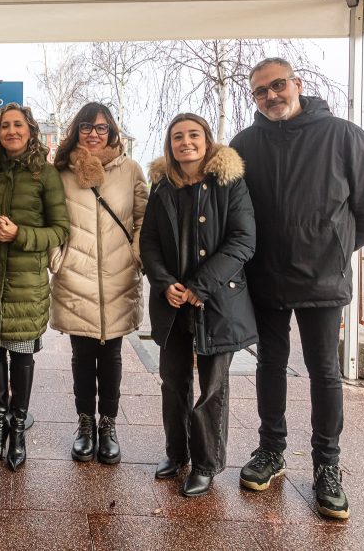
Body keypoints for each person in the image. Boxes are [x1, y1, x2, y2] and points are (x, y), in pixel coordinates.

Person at [230, 58, 364, 519]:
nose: (271, 96)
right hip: (265, 276)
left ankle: (327, 465)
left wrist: (337, 246)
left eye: (277, 85)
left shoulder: (343, 135)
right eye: (260, 91)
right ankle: (271, 449)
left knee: (324, 371)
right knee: (270, 365)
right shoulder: (245, 144)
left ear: (297, 84)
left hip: (322, 278)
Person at [140, 113, 257, 497]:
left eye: (193, 135)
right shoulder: (162, 186)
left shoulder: (229, 182)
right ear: (169, 144)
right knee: (173, 382)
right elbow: (149, 242)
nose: (185, 142)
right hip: (173, 302)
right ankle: (177, 454)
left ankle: (206, 464)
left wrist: (200, 287)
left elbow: (243, 240)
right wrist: (163, 283)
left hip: (217, 301)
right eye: (177, 136)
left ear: (207, 141)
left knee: (212, 388)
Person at [0, 102, 69, 471]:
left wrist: (20, 234)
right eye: (4, 126)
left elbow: (60, 230)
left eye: (17, 125)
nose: (11, 131)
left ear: (30, 130)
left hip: (25, 284)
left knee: (22, 355)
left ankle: (18, 431)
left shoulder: (45, 174)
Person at [49, 103, 147, 465]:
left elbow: (144, 219)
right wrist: (58, 258)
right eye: (87, 126)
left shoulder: (130, 169)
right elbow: (49, 219)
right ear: (77, 130)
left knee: (111, 355)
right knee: (81, 355)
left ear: (112, 132)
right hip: (76, 274)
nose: (94, 133)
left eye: (101, 128)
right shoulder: (61, 172)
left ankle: (108, 424)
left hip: (119, 275)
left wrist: (136, 255)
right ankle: (85, 424)